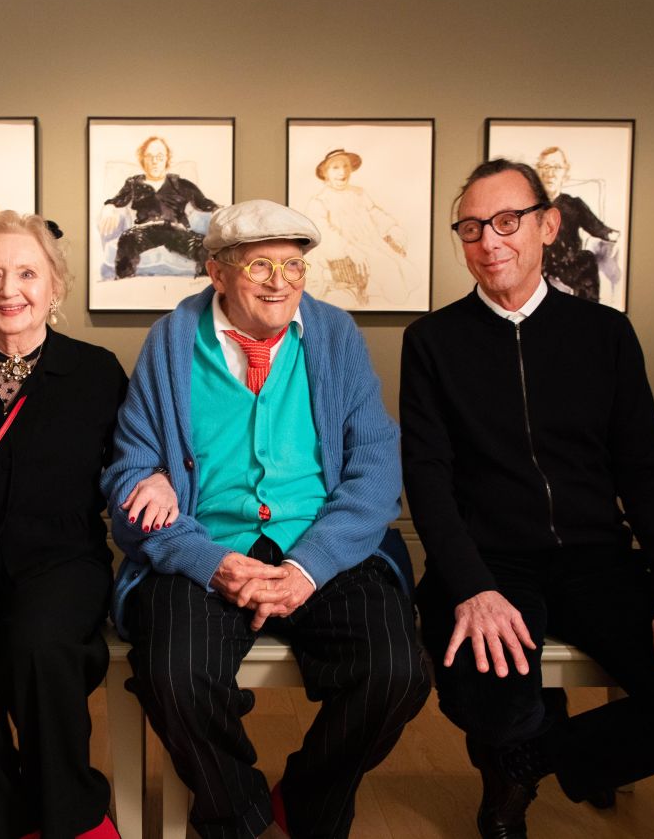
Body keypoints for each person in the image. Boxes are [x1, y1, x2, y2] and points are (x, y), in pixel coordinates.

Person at [400, 158, 654, 839]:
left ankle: (528, 759)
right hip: (488, 562)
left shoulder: (605, 334)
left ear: (548, 224)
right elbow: (428, 480)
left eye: (507, 221)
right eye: (472, 227)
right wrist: (471, 584)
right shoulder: (433, 342)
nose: (490, 241)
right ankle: (523, 732)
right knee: (493, 699)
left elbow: (648, 473)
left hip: (600, 561)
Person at [103, 199, 429, 839]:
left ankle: (307, 802)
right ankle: (239, 817)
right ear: (216, 271)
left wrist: (309, 567)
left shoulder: (335, 336)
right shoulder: (170, 343)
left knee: (397, 671)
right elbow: (128, 474)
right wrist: (206, 555)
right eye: (260, 265)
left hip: (322, 547)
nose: (281, 282)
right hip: (210, 545)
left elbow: (375, 467)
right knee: (173, 674)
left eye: (294, 266)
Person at [0, 211, 170, 839]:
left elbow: (134, 455)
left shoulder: (95, 371)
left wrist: (155, 475)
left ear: (55, 287)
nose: (9, 289)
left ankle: (67, 814)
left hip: (59, 555)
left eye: (26, 273)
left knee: (41, 645)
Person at [98, 136, 219, 278]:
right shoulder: (133, 183)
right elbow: (117, 200)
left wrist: (219, 210)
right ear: (143, 159)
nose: (155, 161)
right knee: (127, 239)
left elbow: (204, 203)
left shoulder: (180, 183)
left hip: (175, 230)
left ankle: (202, 288)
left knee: (203, 246)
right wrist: (108, 208)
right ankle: (125, 282)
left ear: (167, 159)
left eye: (160, 157)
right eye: (150, 157)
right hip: (143, 231)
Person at [305, 148, 413, 307]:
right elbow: (323, 232)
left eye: (346, 166)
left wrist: (392, 229)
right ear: (325, 173)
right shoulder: (319, 201)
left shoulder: (359, 193)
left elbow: (375, 214)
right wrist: (348, 248)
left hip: (371, 245)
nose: (342, 172)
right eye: (335, 168)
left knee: (404, 271)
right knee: (389, 270)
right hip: (344, 254)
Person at [535, 146, 618, 303]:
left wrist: (617, 238)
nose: (550, 173)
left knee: (587, 258)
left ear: (565, 174)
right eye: (545, 167)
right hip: (538, 264)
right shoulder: (528, 206)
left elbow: (599, 228)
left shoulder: (574, 204)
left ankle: (588, 313)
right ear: (538, 171)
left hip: (569, 264)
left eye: (556, 167)